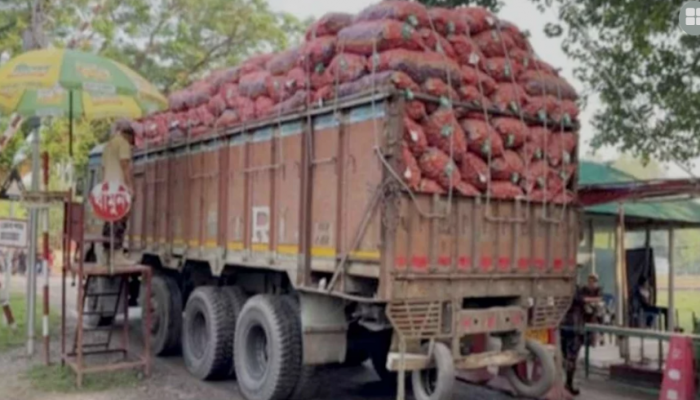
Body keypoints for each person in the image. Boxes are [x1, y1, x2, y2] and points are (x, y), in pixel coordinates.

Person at [560, 275, 603, 397]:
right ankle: (568, 384)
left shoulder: (560, 288)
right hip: (574, 326)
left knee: (565, 356)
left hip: (563, 325)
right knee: (572, 357)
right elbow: (582, 301)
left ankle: (565, 382)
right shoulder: (575, 290)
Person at [101, 119, 136, 266]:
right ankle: (117, 256)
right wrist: (130, 186)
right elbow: (125, 164)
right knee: (120, 222)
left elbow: (103, 169)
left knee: (109, 222)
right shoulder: (123, 143)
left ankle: (106, 256)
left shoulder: (108, 146)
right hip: (119, 188)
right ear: (128, 135)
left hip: (107, 188)